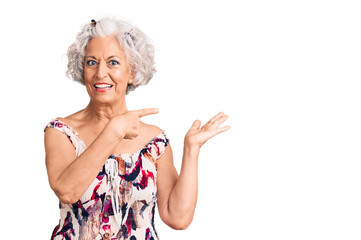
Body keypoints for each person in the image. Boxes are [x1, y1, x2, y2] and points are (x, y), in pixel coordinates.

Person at [43, 17, 230, 240]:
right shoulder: (62, 131)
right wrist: (114, 130)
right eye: (91, 62)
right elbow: (67, 190)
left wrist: (192, 149)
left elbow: (177, 218)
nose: (100, 73)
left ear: (132, 70)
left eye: (113, 62)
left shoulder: (154, 141)